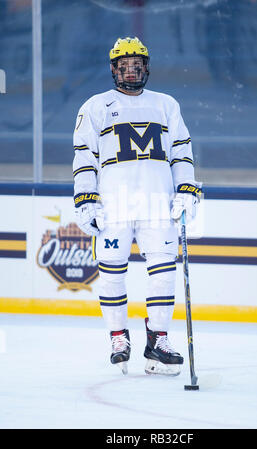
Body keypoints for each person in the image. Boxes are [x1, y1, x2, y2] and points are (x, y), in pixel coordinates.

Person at [73, 37, 201, 376]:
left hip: (158, 204)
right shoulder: (95, 106)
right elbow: (84, 159)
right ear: (113, 69)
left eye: (137, 64)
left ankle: (157, 339)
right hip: (113, 206)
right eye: (124, 65)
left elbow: (181, 154)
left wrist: (186, 189)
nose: (132, 70)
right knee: (112, 272)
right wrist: (86, 198)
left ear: (147, 67)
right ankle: (118, 337)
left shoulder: (166, 105)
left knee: (163, 273)